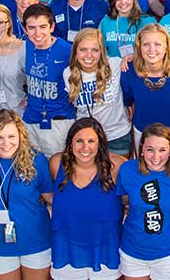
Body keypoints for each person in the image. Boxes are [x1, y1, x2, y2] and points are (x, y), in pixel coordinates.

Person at [0, 110, 54, 280]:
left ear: (20, 136)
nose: (6, 143)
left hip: (35, 240)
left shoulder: (36, 160)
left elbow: (50, 198)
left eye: (11, 136)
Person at [47, 118, 126, 280]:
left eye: (91, 141)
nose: (85, 147)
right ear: (70, 143)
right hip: (66, 250)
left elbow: (129, 201)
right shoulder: (57, 163)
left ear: (100, 144)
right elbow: (50, 196)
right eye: (79, 141)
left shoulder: (117, 166)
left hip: (106, 251)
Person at [116, 124, 170, 280]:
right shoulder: (127, 170)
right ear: (141, 148)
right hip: (133, 250)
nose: (156, 157)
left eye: (162, 150)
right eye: (150, 149)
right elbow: (124, 200)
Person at [121, 23, 170, 159]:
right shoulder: (128, 69)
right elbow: (127, 99)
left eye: (158, 44)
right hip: (143, 131)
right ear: (139, 47)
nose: (152, 49)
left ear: (166, 47)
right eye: (146, 44)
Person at [65, 28, 133, 156]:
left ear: (102, 51)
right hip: (85, 138)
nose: (88, 55)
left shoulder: (115, 65)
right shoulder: (68, 73)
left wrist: (132, 55)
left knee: (115, 175)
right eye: (83, 50)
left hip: (117, 136)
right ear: (75, 51)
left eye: (95, 50)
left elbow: (144, 62)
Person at [23, 3, 76, 157]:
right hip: (31, 119)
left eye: (42, 26)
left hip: (58, 121)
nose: (37, 32)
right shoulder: (25, 47)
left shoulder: (67, 51)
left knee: (56, 167)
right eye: (31, 28)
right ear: (25, 30)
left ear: (52, 27)